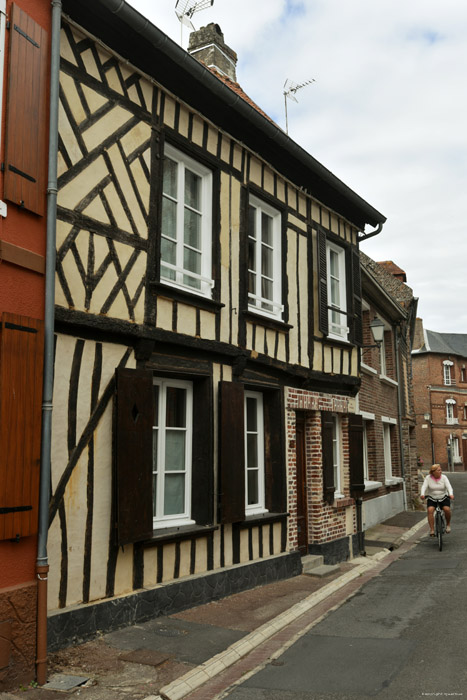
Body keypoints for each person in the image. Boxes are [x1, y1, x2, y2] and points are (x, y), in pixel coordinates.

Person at [420, 464, 454, 536]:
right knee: (430, 510)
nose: (440, 471)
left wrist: (450, 494)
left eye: (440, 470)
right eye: (438, 470)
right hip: (432, 498)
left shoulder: (444, 478)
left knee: (447, 509)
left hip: (443, 497)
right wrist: (422, 494)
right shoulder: (428, 478)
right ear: (433, 472)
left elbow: (449, 487)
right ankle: (432, 530)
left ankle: (448, 524)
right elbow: (424, 487)